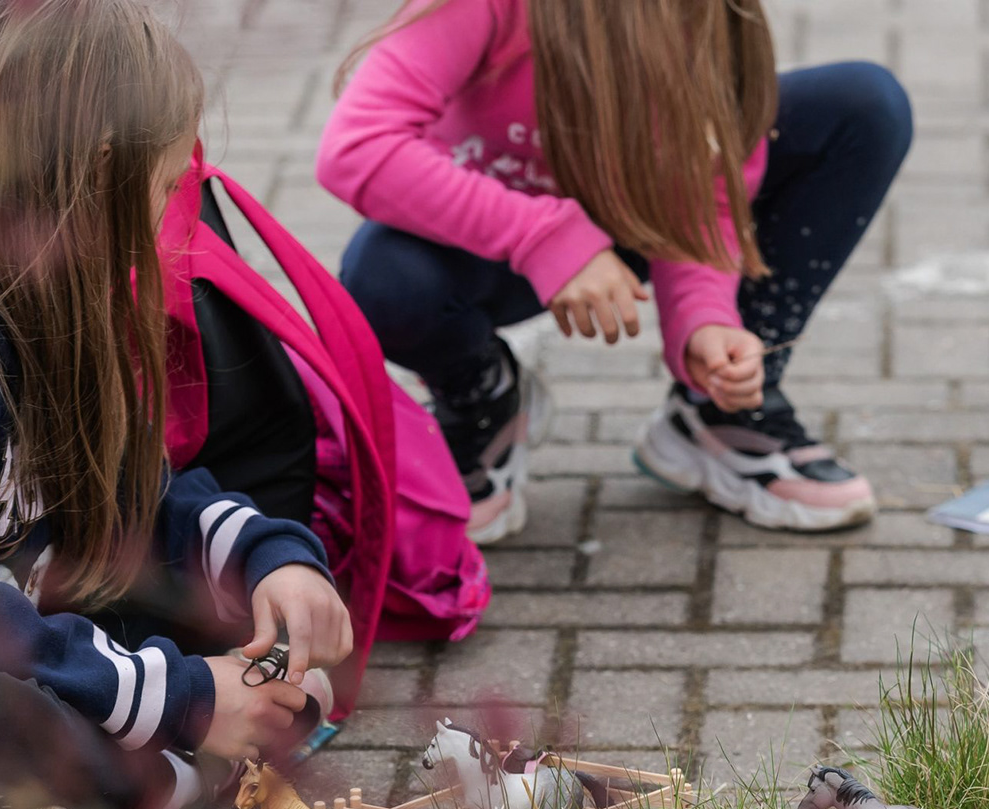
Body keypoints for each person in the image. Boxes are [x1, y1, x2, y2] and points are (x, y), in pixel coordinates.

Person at [0, 0, 353, 809]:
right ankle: (152, 777)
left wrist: (268, 558)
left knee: (106, 649)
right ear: (96, 181)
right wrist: (191, 699)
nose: (177, 216)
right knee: (1, 709)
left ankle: (109, 778)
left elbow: (122, 490)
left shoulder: (37, 286)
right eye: (168, 187)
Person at [319, 0, 912, 538]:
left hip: (626, 222)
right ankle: (480, 399)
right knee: (386, 281)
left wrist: (707, 321)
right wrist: (545, 239)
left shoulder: (707, 14)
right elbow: (356, 146)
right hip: (482, 242)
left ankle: (721, 410)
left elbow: (704, 191)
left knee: (862, 105)